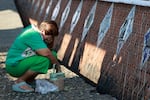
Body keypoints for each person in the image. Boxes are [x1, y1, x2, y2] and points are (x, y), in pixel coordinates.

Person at [5, 20, 61, 92]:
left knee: (53, 55)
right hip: (14, 66)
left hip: (21, 61)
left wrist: (48, 42)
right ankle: (20, 81)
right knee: (44, 60)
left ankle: (29, 80)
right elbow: (46, 53)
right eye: (51, 35)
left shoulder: (36, 32)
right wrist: (58, 67)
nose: (51, 38)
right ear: (43, 31)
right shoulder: (33, 35)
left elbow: (50, 52)